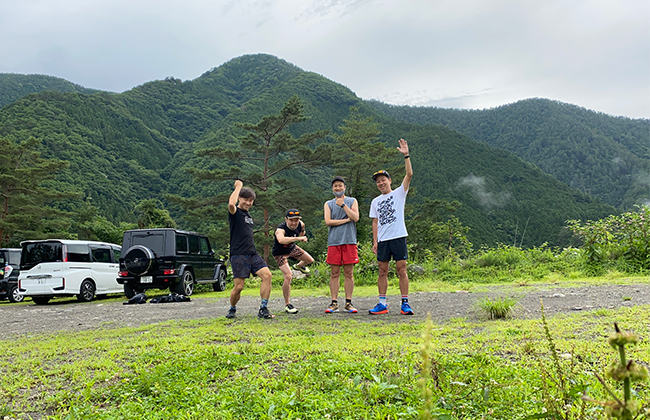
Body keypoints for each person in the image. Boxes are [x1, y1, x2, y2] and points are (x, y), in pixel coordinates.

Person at [369, 138, 414, 315]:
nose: (381, 183)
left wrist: (406, 156)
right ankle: (382, 303)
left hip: (398, 236)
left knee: (401, 268)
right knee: (382, 270)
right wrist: (375, 241)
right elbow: (375, 221)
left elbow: (409, 175)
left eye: (383, 180)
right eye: (378, 181)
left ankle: (405, 303)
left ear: (389, 180)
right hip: (383, 239)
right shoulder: (375, 201)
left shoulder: (399, 193)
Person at [225, 180, 274, 319]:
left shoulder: (248, 216)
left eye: (251, 200)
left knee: (267, 275)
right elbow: (230, 204)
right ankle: (232, 308)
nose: (248, 203)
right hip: (238, 255)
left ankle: (263, 308)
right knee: (239, 287)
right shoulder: (235, 213)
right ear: (240, 198)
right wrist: (238, 187)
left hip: (252, 253)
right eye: (246, 199)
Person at [323, 176, 360, 313]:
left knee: (349, 273)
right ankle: (334, 302)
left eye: (340, 185)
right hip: (334, 241)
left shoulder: (352, 201)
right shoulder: (328, 204)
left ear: (345, 187)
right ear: (332, 189)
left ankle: (348, 303)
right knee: (334, 273)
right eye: (335, 186)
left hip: (349, 240)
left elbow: (355, 218)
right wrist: (346, 220)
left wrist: (343, 205)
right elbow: (328, 221)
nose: (337, 188)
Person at [272, 208, 314, 314]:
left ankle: (298, 266)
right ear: (286, 219)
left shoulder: (301, 224)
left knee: (310, 260)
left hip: (292, 249)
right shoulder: (280, 229)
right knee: (288, 276)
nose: (294, 223)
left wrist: (302, 233)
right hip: (280, 253)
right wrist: (298, 239)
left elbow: (301, 230)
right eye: (291, 220)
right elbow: (281, 240)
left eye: (296, 220)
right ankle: (287, 304)